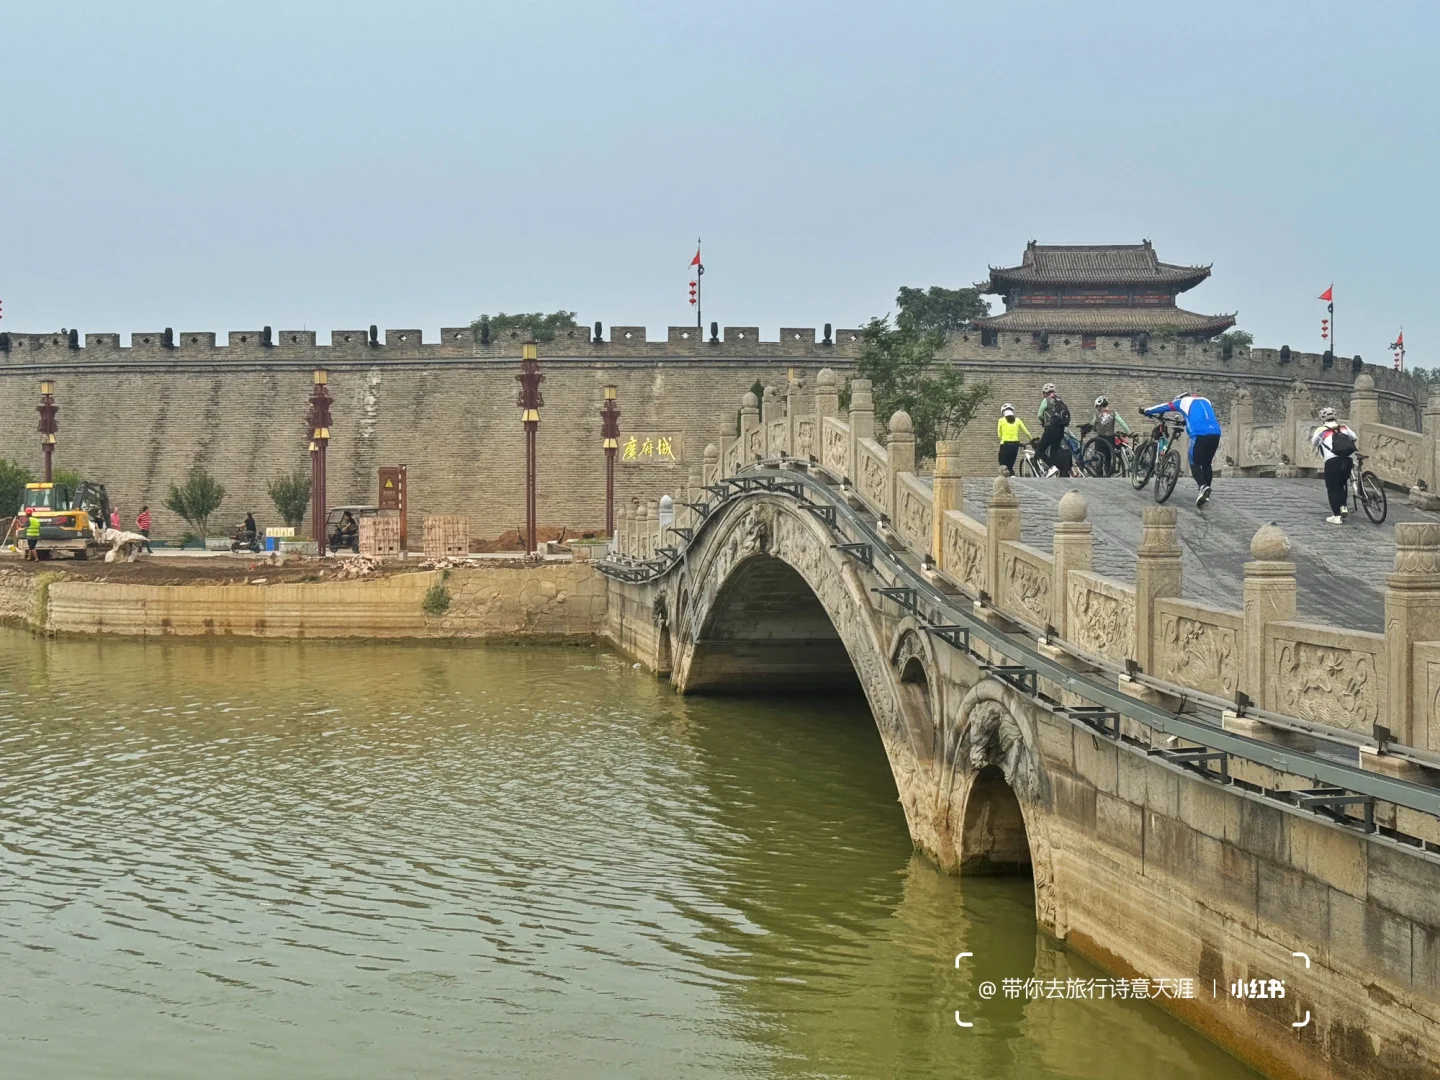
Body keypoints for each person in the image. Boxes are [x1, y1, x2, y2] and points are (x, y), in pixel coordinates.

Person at [1143, 391, 1222, 507]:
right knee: (1206, 463)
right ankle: (1206, 490)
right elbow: (1200, 415)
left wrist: (1146, 411)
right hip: (1216, 433)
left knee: (1193, 460)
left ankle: (1202, 486)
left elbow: (1164, 406)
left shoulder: (1182, 402)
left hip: (1199, 434)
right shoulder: (1205, 400)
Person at [1311, 406, 1357, 524]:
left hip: (1332, 461)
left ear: (1323, 419)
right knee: (1342, 484)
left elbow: (1314, 443)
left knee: (1332, 488)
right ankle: (1343, 507)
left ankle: (1336, 516)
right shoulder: (1343, 427)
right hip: (1347, 460)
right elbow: (1354, 437)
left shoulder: (1321, 430)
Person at [1036, 383, 1072, 478]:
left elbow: (1039, 414)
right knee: (1054, 452)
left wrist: (1043, 421)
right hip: (1060, 429)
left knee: (1039, 451)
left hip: (1050, 429)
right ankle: (1059, 471)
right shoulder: (1059, 400)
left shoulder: (1046, 400)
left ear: (1045, 393)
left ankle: (1051, 467)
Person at [1089, 396, 1131, 476]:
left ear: (1099, 406)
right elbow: (1122, 423)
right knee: (1108, 457)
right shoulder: (1114, 413)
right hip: (1110, 439)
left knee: (1099, 456)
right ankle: (1108, 473)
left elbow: (1092, 425)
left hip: (1100, 439)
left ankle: (1099, 474)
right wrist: (1128, 432)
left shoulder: (1097, 414)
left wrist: (1096, 429)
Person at [996, 403, 1033, 476]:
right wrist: (1031, 440)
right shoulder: (1018, 420)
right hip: (1015, 445)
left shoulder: (1001, 420)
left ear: (1003, 412)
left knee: (1003, 465)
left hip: (1005, 445)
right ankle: (1012, 476)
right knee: (1010, 465)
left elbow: (999, 435)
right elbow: (1026, 432)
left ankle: (1003, 480)